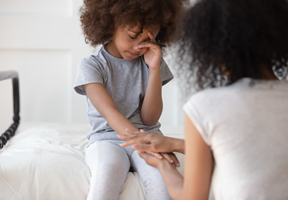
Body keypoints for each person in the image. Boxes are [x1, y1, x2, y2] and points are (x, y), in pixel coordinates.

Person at [120, 0, 288, 199]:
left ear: (214, 49)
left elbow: (192, 197)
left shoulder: (206, 106)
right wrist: (175, 144)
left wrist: (162, 165)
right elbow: (256, 150)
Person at [74, 0, 187, 199]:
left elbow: (150, 119)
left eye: (148, 40)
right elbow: (110, 112)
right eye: (133, 36)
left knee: (163, 188)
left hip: (148, 136)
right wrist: (143, 141)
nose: (138, 47)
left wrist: (154, 69)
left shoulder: (152, 61)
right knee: (105, 179)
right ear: (110, 24)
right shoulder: (92, 66)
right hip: (107, 140)